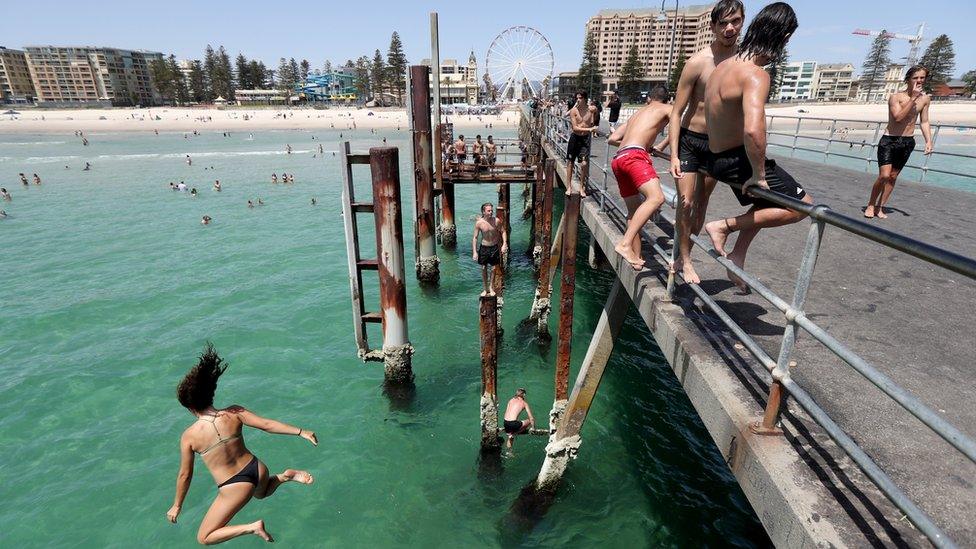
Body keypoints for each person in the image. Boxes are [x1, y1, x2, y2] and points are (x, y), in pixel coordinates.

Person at [702, 2, 812, 292]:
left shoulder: (723, 67)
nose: (787, 43)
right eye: (788, 37)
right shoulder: (755, 74)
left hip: (717, 158)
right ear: (780, 36)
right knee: (803, 207)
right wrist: (759, 173)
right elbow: (753, 128)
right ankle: (723, 226)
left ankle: (737, 256)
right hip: (738, 160)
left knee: (766, 202)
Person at [166, 344, 316, 544]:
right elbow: (267, 425)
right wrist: (301, 432)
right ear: (210, 394)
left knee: (204, 537)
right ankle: (284, 477)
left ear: (190, 407)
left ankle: (252, 527)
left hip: (234, 485)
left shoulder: (190, 436)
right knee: (261, 493)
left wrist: (177, 505)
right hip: (257, 468)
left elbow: (185, 475)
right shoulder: (233, 412)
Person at [667, 0, 744, 284]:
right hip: (690, 141)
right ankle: (684, 259)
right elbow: (676, 113)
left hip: (718, 145)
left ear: (742, 22)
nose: (729, 28)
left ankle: (687, 249)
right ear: (712, 27)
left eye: (735, 21)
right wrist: (674, 154)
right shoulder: (697, 63)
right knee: (685, 202)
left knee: (701, 203)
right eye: (723, 23)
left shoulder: (744, 63)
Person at [607, 86, 673, 270]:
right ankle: (625, 244)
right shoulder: (668, 109)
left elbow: (612, 139)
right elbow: (677, 129)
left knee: (634, 212)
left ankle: (636, 257)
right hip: (635, 157)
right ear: (665, 100)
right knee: (657, 198)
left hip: (619, 158)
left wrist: (633, 142)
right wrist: (659, 146)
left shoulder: (636, 115)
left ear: (648, 99)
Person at [864, 65, 933, 219]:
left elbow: (924, 121)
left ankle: (880, 207)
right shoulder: (896, 97)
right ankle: (870, 204)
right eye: (915, 77)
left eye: (922, 77)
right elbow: (898, 117)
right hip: (890, 140)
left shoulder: (925, 99)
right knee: (884, 175)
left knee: (893, 176)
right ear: (908, 79)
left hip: (907, 142)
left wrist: (929, 141)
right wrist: (913, 98)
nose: (919, 80)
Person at [566, 91, 599, 197]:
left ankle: (581, 187)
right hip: (575, 137)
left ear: (585, 98)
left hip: (585, 138)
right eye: (577, 98)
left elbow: (596, 113)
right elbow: (574, 127)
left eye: (580, 98)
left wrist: (594, 123)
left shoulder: (591, 109)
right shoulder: (574, 111)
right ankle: (569, 187)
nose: (578, 100)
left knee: (584, 163)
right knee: (570, 162)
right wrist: (590, 129)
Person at [472, 202, 507, 296]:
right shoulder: (479, 223)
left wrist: (504, 244)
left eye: (491, 210)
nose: (491, 212)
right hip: (484, 248)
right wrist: (475, 252)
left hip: (494, 247)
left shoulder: (496, 221)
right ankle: (485, 288)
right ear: (484, 212)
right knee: (483, 268)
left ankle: (491, 287)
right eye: (489, 211)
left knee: (493, 268)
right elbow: (475, 237)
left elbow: (503, 231)